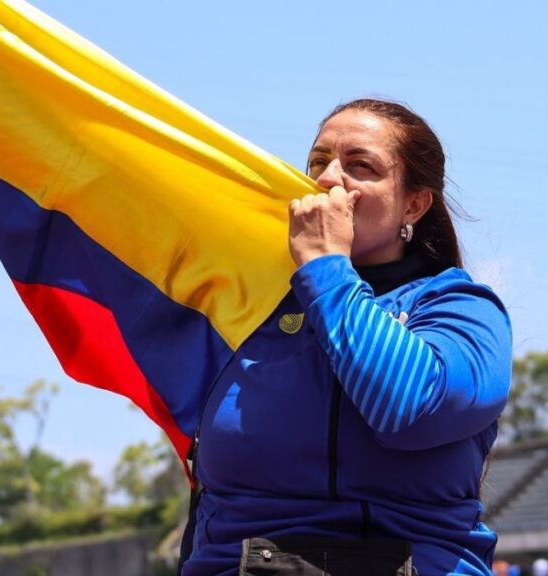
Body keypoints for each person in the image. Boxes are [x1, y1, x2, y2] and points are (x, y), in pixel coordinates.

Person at [180, 98, 512, 575]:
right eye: (318, 162)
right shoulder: (250, 309)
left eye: (361, 166)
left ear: (414, 204)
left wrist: (325, 268)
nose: (329, 179)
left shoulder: (464, 311)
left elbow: (408, 409)